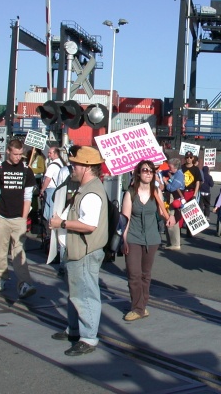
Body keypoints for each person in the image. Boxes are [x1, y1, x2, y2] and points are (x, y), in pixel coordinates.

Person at [48, 146, 108, 356]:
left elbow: (89, 225)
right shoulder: (88, 187)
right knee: (76, 293)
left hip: (84, 251)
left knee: (85, 295)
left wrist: (61, 223)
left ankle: (88, 338)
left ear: (87, 167)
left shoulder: (91, 192)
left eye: (76, 164)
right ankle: (74, 329)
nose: (72, 166)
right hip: (78, 250)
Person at [121, 160, 174, 321]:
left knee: (146, 275)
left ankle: (141, 306)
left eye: (151, 171)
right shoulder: (130, 193)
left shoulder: (156, 191)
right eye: (145, 170)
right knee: (134, 274)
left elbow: (163, 210)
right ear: (138, 173)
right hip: (133, 237)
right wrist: (124, 239)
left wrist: (170, 216)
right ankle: (137, 308)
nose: (148, 173)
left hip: (151, 238)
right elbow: (126, 218)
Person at [0, 139, 38, 299]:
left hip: (18, 219)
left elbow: (28, 197)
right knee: (1, 252)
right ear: (8, 152)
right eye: (15, 154)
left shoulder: (26, 170)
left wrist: (24, 219)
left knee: (19, 252)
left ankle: (24, 282)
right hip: (2, 217)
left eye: (20, 154)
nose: (18, 157)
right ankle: (1, 277)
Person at [161, 158, 185, 250]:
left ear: (175, 167)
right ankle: (170, 242)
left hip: (175, 199)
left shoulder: (179, 175)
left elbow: (172, 188)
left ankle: (175, 244)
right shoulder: (175, 173)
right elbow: (164, 172)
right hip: (170, 199)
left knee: (173, 220)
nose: (169, 168)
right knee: (168, 219)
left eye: (170, 167)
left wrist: (165, 181)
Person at [40, 146, 64, 229]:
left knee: (49, 212)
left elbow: (48, 179)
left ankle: (49, 230)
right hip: (58, 190)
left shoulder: (52, 165)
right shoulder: (62, 163)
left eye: (50, 153)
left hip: (51, 190)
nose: (48, 154)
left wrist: (42, 190)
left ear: (56, 153)